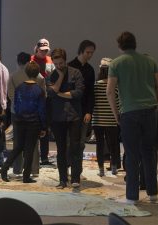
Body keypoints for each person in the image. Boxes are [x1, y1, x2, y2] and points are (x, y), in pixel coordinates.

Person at [107, 31, 158, 204]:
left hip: (129, 113)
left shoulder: (116, 64)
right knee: (149, 152)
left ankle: (132, 197)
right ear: (135, 43)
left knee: (131, 155)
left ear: (119, 46)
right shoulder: (150, 61)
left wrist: (117, 114)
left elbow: (110, 91)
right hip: (149, 110)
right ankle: (153, 194)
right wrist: (157, 104)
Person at [0, 61, 46, 183]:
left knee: (18, 147)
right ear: (37, 74)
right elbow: (41, 110)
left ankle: (4, 168)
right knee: (30, 149)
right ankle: (26, 177)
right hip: (33, 122)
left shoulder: (19, 88)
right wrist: (44, 127)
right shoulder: (39, 90)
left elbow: (16, 105)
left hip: (19, 120)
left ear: (26, 72)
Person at [47, 48, 84, 188]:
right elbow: (51, 93)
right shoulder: (51, 76)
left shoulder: (76, 72)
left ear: (65, 60)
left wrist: (61, 94)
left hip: (74, 115)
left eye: (61, 63)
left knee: (75, 147)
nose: (59, 66)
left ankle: (75, 178)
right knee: (60, 149)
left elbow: (79, 93)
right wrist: (61, 77)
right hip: (57, 116)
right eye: (56, 64)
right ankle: (63, 179)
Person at [68, 40, 96, 165]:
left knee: (81, 143)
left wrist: (89, 111)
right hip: (70, 109)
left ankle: (77, 168)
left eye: (92, 53)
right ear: (81, 51)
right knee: (69, 141)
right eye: (87, 52)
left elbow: (91, 92)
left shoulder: (90, 69)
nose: (89, 55)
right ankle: (67, 167)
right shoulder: (70, 66)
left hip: (84, 109)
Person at [92, 58, 120, 177]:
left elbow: (93, 103)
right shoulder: (115, 86)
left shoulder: (95, 85)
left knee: (100, 145)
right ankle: (114, 168)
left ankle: (101, 170)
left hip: (98, 120)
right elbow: (118, 102)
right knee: (113, 144)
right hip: (112, 120)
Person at [31, 38, 55, 166]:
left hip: (47, 97)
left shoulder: (50, 60)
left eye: (46, 50)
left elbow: (54, 76)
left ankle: (44, 157)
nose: (44, 53)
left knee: (45, 126)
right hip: (34, 97)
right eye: (42, 50)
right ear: (37, 49)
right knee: (34, 126)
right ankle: (32, 155)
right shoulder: (31, 60)